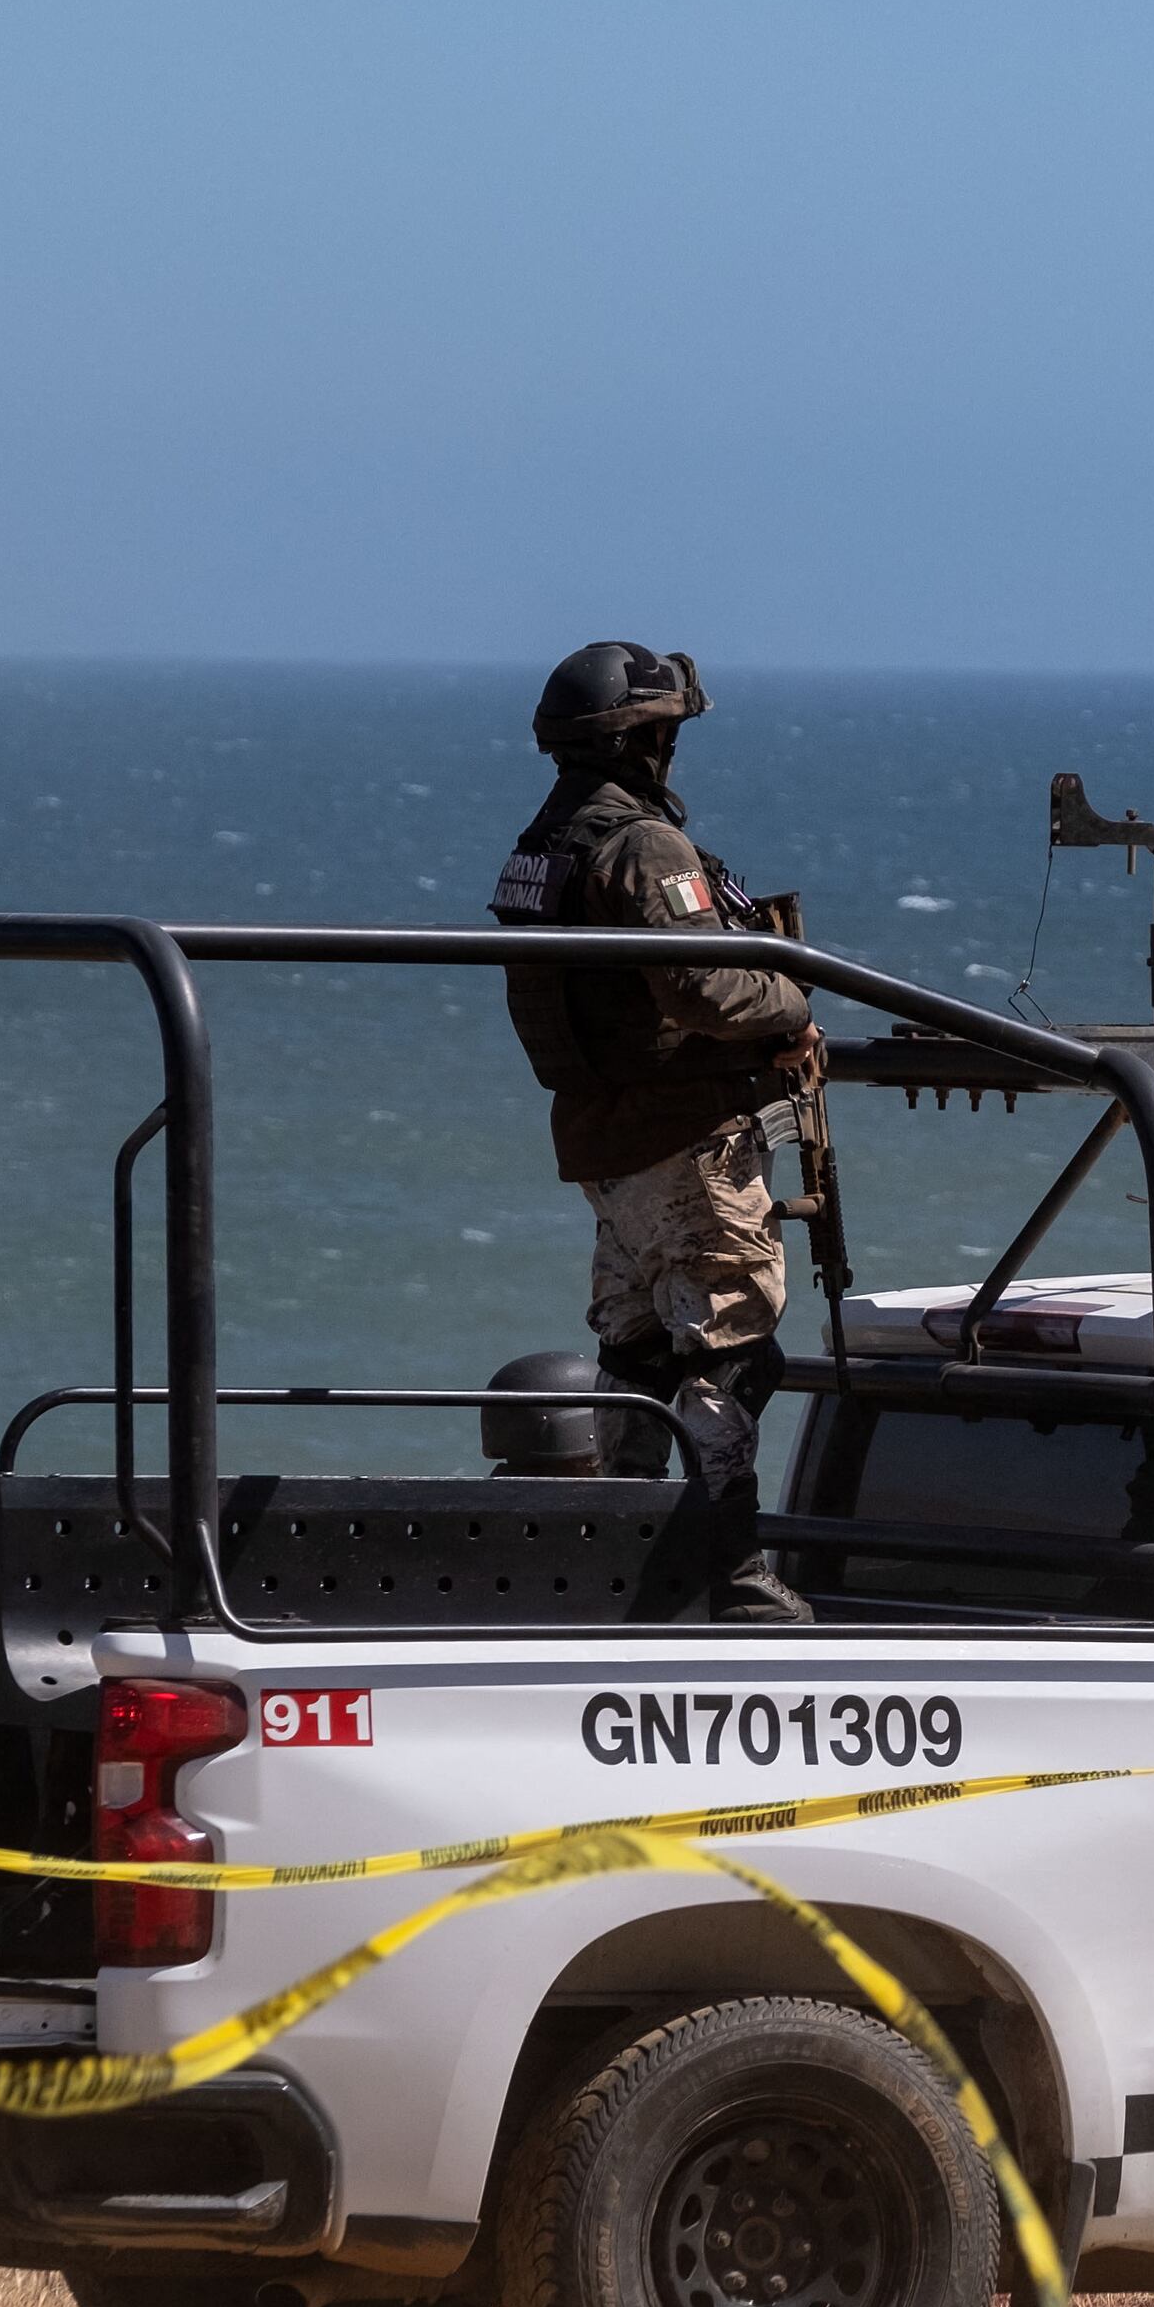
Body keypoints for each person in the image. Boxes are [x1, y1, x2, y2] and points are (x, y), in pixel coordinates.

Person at [487, 641, 822, 1623]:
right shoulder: (637, 846)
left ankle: (623, 1562)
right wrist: (794, 1000)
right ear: (648, 741)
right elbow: (702, 984)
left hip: (608, 1141)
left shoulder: (545, 842)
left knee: (638, 1354)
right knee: (730, 1351)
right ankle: (730, 1579)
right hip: (683, 1137)